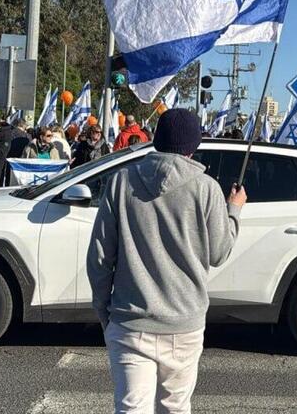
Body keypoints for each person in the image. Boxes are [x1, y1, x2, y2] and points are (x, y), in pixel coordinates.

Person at [87, 109, 245, 414]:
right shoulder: (206, 188)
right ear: (193, 146)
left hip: (130, 320)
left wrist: (103, 311)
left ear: (156, 140)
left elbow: (100, 257)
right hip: (184, 321)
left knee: (131, 408)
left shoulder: (121, 182)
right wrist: (234, 210)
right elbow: (219, 253)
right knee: (174, 408)